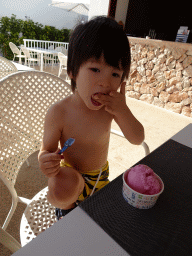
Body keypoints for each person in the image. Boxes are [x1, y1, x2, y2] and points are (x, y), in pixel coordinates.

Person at [38, 16, 145, 220]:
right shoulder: (59, 112)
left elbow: (137, 138)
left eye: (115, 74)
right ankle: (67, 212)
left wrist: (123, 111)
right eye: (95, 69)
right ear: (72, 71)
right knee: (62, 188)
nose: (105, 82)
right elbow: (47, 150)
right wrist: (45, 160)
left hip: (99, 178)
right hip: (69, 179)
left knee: (103, 223)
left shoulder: (111, 109)